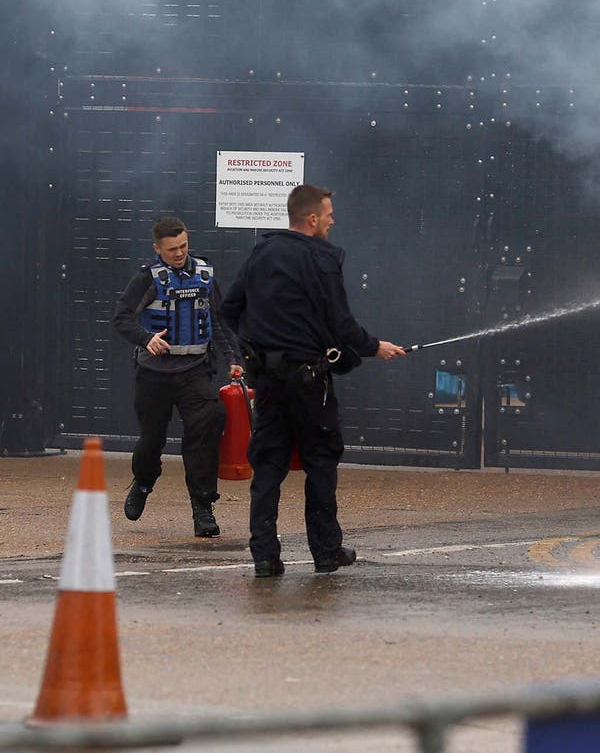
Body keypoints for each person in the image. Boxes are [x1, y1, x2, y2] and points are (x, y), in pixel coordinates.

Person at [221, 184, 405, 577]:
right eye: (329, 214)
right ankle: (326, 551)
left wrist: (253, 347)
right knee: (321, 461)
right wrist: (374, 347)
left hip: (268, 383)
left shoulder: (261, 251)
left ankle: (265, 558)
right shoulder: (320, 259)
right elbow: (340, 322)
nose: (332, 220)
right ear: (311, 219)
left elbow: (230, 308)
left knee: (268, 465)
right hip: (309, 384)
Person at [112, 217, 244, 537]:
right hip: (154, 373)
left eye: (184, 245)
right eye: (172, 249)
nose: (180, 253)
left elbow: (218, 321)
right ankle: (143, 482)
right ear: (157, 248)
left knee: (209, 421)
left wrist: (233, 359)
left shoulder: (204, 275)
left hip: (194, 369)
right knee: (151, 440)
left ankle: (203, 507)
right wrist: (147, 339)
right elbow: (121, 318)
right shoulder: (147, 279)